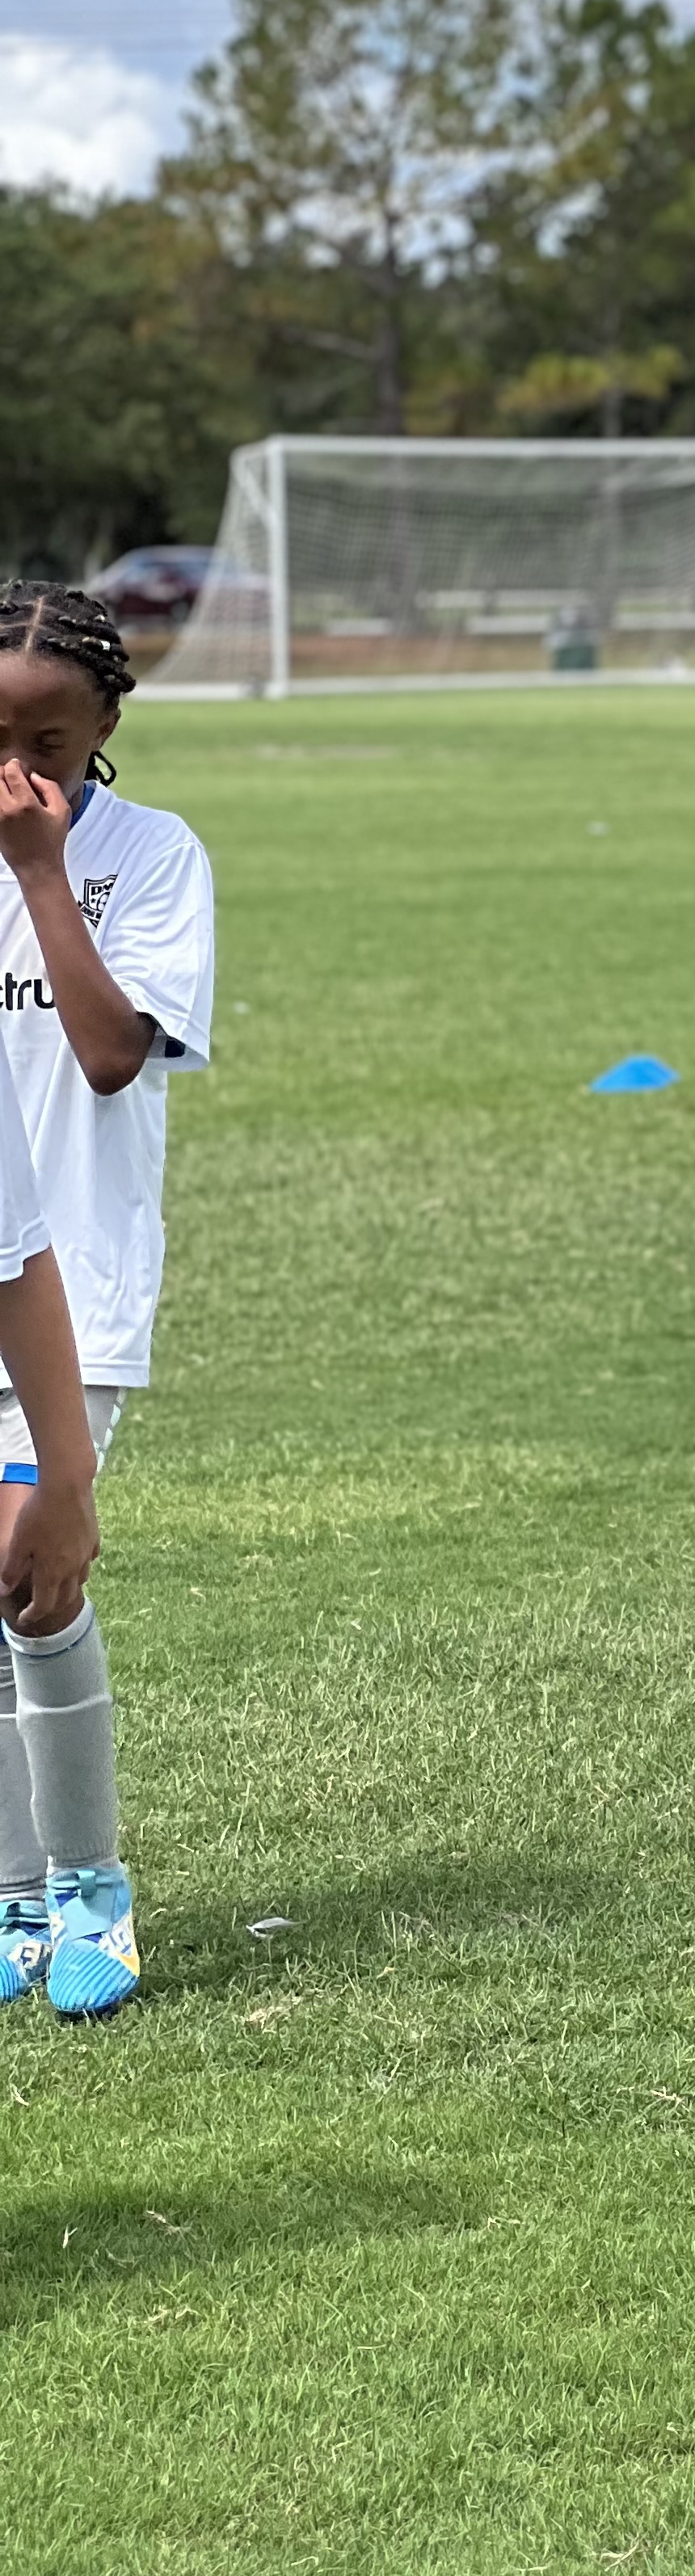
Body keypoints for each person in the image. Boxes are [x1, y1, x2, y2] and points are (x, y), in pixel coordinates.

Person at [0, 585, 213, 2018]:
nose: (20, 763)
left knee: (28, 1575)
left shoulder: (151, 855)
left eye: (51, 738)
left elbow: (108, 1055)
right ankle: (17, 1906)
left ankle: (91, 1893)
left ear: (107, 728)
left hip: (75, 1288)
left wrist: (38, 874)